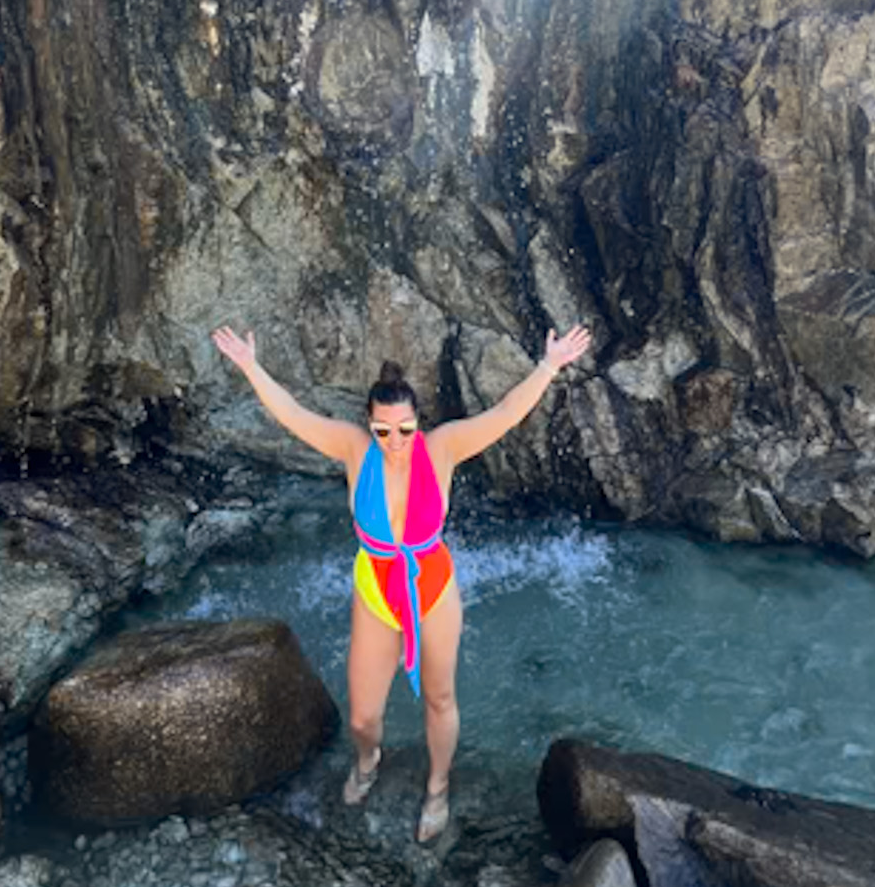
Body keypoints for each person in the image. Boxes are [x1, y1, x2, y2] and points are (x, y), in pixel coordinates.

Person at [210, 322, 593, 843]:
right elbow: (294, 416)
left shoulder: (443, 448)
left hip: (432, 585)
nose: (395, 443)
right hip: (375, 587)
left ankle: (437, 787)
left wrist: (548, 366)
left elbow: (504, 413)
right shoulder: (352, 449)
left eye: (405, 430)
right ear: (369, 425)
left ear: (419, 423)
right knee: (364, 717)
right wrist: (252, 367)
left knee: (439, 699)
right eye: (384, 432)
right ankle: (368, 761)